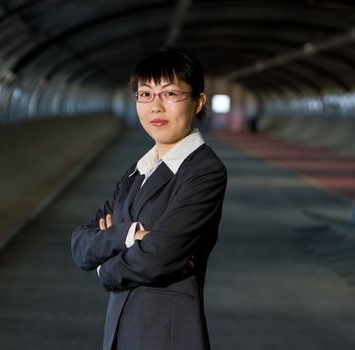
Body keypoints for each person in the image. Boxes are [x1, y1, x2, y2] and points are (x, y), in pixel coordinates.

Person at [70, 47, 227, 350]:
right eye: (145, 94)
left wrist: (106, 267)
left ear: (198, 102)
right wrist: (131, 234)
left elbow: (159, 256)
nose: (156, 107)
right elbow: (81, 245)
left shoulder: (204, 171)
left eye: (170, 94)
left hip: (166, 335)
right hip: (121, 333)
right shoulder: (137, 171)